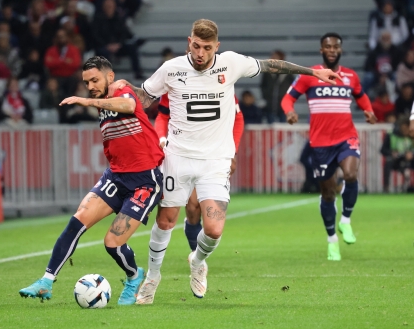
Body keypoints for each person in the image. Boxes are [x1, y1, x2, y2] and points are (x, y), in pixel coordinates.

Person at [109, 19, 342, 302]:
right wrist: (125, 88)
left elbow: (271, 65)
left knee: (214, 229)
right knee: (166, 220)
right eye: (195, 46)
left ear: (216, 47)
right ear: (189, 41)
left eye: (207, 48)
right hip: (177, 157)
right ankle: (153, 278)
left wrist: (314, 73)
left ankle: (197, 261)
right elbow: (146, 97)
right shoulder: (171, 69)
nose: (200, 53)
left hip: (215, 160)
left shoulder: (230, 63)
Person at [18, 56, 164, 305]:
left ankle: (133, 276)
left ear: (109, 76)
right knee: (77, 221)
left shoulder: (121, 91)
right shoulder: (105, 96)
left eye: (95, 80)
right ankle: (46, 281)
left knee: (112, 243)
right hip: (116, 176)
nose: (90, 86)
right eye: (86, 82)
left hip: (145, 180)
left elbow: (129, 106)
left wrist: (86, 101)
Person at [281, 32, 377, 261]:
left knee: (351, 174)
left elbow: (361, 96)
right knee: (328, 193)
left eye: (336, 46)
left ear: (340, 50)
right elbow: (287, 98)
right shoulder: (309, 75)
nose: (332, 50)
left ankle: (345, 221)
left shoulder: (350, 76)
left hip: (346, 136)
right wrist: (290, 112)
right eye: (328, 46)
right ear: (321, 50)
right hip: (321, 143)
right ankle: (332, 240)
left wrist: (369, 110)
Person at [154, 90, 244, 253]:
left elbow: (238, 117)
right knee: (192, 209)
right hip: (182, 154)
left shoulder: (220, 84)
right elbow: (162, 116)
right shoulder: (175, 83)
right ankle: (196, 256)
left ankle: (198, 260)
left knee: (207, 217)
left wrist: (233, 150)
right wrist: (161, 138)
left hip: (213, 156)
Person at [380, 116, 414, 192]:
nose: (405, 131)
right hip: (396, 160)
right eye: (403, 129)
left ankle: (411, 186)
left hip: (409, 159)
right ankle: (386, 187)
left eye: (406, 129)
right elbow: (383, 150)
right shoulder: (391, 135)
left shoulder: (412, 135)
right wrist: (391, 153)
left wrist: (411, 153)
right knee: (388, 163)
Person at [260, 50, 294, 123]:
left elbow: (293, 87)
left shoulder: (288, 73)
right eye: (272, 57)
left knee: (283, 128)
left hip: (283, 106)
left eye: (275, 57)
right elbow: (263, 86)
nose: (273, 59)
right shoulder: (267, 73)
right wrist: (266, 97)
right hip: (270, 105)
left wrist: (288, 99)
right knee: (271, 128)